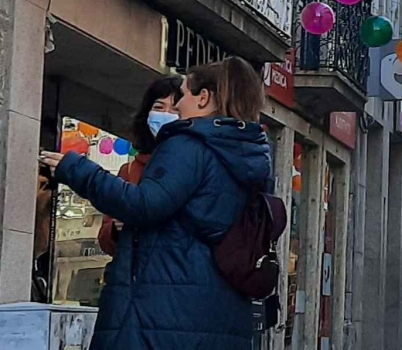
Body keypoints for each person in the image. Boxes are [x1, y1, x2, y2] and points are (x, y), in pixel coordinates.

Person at [39, 58, 271, 350]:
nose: (176, 107)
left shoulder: (189, 144)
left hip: (165, 309)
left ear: (203, 98)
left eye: (183, 95)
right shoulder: (249, 155)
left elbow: (145, 204)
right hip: (219, 310)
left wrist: (79, 171)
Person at [95, 76, 183, 256]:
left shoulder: (195, 164)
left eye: (174, 109)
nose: (166, 114)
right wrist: (116, 229)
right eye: (159, 107)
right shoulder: (129, 171)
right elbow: (106, 240)